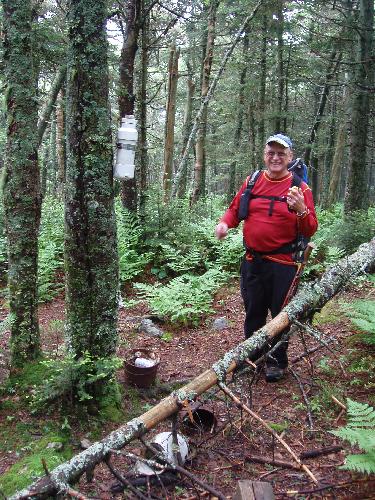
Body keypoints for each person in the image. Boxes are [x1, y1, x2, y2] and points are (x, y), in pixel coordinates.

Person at [215, 134, 318, 382]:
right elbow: (234, 210)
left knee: (280, 314)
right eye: (271, 152)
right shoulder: (252, 181)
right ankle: (253, 357)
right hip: (253, 261)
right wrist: (224, 224)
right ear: (264, 155)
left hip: (284, 264)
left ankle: (276, 361)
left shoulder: (300, 188)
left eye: (281, 153)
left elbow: (310, 228)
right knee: (253, 311)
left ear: (289, 157)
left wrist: (301, 210)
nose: (275, 157)